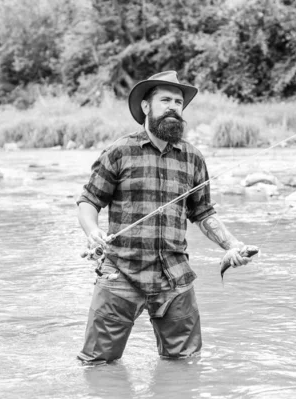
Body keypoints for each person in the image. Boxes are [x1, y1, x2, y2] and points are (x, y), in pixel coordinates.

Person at [76, 70, 256, 364]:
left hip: (175, 277)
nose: (173, 106)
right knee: (97, 365)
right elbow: (89, 200)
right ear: (146, 106)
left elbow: (203, 211)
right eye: (165, 100)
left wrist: (232, 245)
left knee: (185, 364)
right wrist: (92, 231)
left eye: (178, 101)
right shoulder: (119, 152)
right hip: (121, 273)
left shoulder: (193, 157)